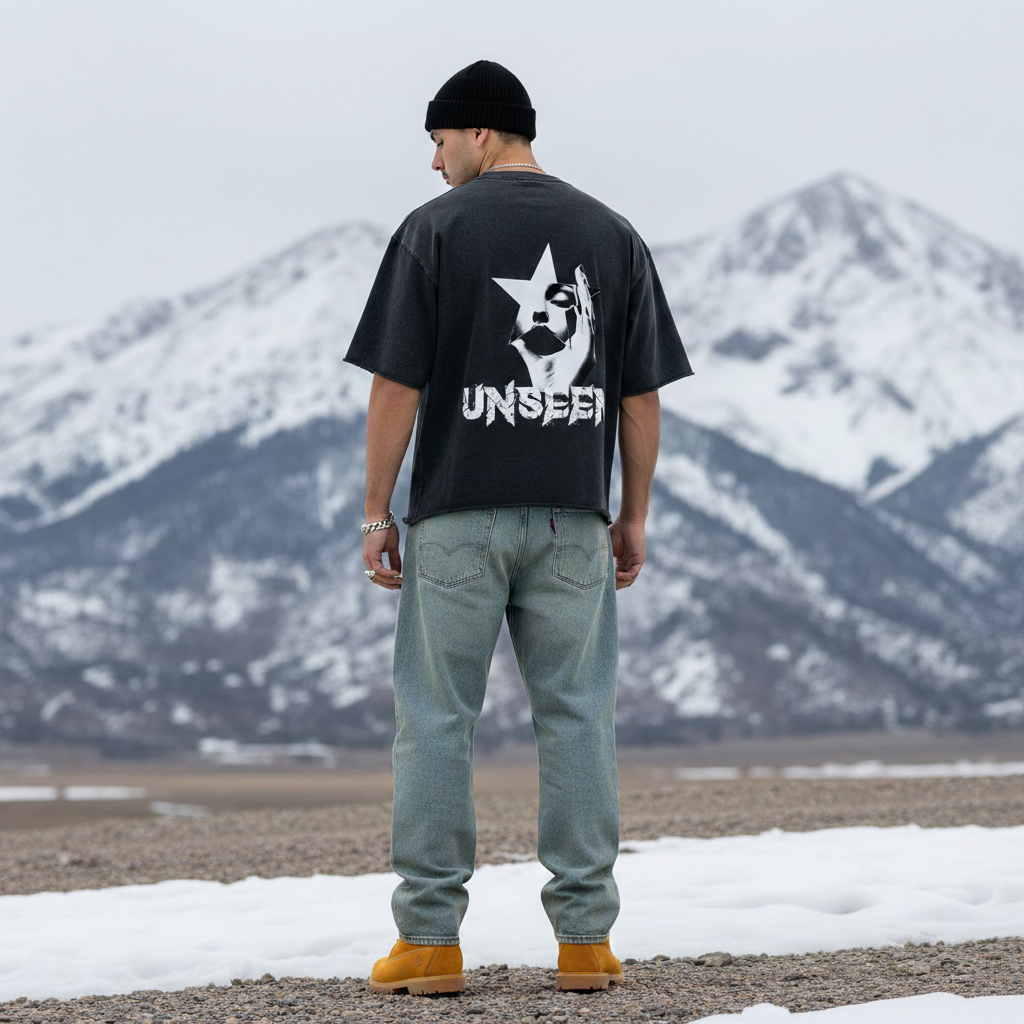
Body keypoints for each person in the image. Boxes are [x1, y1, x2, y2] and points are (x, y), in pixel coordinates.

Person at [344, 59, 692, 997]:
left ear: (481, 132)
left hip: (457, 518)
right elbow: (641, 396)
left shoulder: (433, 231)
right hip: (572, 520)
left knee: (435, 720)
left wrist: (376, 511)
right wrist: (632, 514)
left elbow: (395, 386)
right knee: (578, 719)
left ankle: (429, 943)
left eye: (439, 141)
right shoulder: (612, 235)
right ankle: (586, 943)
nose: (434, 163)